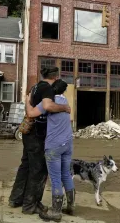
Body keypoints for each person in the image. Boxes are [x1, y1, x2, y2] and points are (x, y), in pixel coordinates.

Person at [8, 67, 71, 215]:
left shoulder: (35, 86)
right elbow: (48, 106)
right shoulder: (47, 88)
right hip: (37, 135)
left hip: (29, 133)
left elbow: (28, 104)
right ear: (55, 78)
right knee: (39, 169)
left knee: (26, 166)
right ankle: (31, 205)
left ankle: (16, 198)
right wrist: (64, 107)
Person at [26, 79, 75, 222]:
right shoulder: (66, 103)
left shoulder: (48, 103)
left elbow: (31, 114)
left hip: (54, 145)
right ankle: (71, 206)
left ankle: (56, 212)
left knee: (55, 178)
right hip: (68, 144)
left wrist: (28, 100)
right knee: (66, 174)